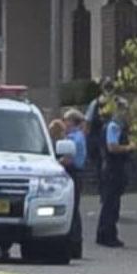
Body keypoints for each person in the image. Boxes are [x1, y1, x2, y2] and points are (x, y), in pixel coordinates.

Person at [96, 97, 135, 248]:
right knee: (111, 204)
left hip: (113, 168)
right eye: (124, 110)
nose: (126, 113)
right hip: (113, 169)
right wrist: (128, 148)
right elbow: (112, 147)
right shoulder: (113, 127)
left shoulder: (115, 126)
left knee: (111, 203)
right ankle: (108, 235)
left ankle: (104, 234)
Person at [61, 109, 87, 259]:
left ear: (71, 121)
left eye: (65, 120)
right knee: (74, 209)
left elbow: (68, 160)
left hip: (73, 173)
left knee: (71, 210)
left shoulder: (72, 139)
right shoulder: (80, 136)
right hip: (77, 173)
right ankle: (76, 244)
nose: (64, 123)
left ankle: (73, 243)